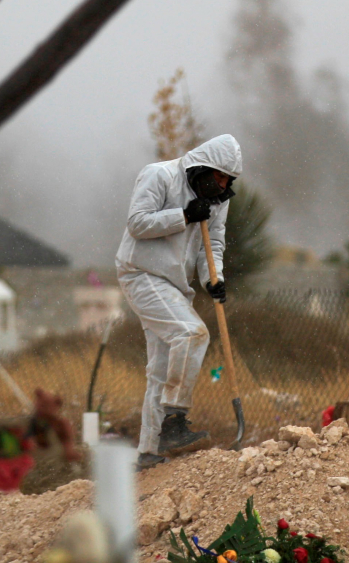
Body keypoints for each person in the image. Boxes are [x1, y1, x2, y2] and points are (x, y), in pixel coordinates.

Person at [116, 134, 241, 470]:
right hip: (140, 272)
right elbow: (137, 222)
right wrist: (183, 215)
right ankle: (174, 420)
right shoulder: (160, 175)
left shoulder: (217, 199)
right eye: (219, 177)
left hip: (173, 283)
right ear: (204, 167)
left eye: (228, 180)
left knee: (160, 369)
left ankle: (147, 450)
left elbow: (212, 244)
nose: (223, 184)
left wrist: (213, 279)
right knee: (191, 333)